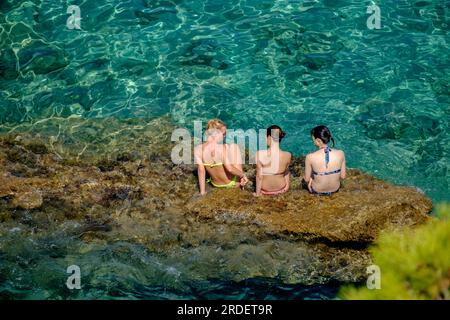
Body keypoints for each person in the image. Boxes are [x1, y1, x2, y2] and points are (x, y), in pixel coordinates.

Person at [194, 119, 248, 195]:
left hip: (216, 185)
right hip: (232, 184)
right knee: (234, 146)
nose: (225, 136)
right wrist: (243, 175)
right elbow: (229, 169)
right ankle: (242, 182)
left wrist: (202, 192)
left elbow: (201, 171)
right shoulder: (222, 148)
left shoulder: (197, 149)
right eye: (223, 134)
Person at [304, 125, 346, 195]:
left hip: (317, 190)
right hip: (335, 189)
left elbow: (306, 179)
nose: (313, 142)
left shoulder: (310, 157)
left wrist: (312, 177)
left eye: (313, 140)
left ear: (318, 140)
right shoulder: (341, 153)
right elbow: (343, 176)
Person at [254, 125, 291, 196]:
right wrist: (287, 187)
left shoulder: (259, 154)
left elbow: (259, 177)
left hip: (265, 191)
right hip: (281, 190)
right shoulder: (287, 155)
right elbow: (286, 172)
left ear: (269, 137)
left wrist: (257, 194)